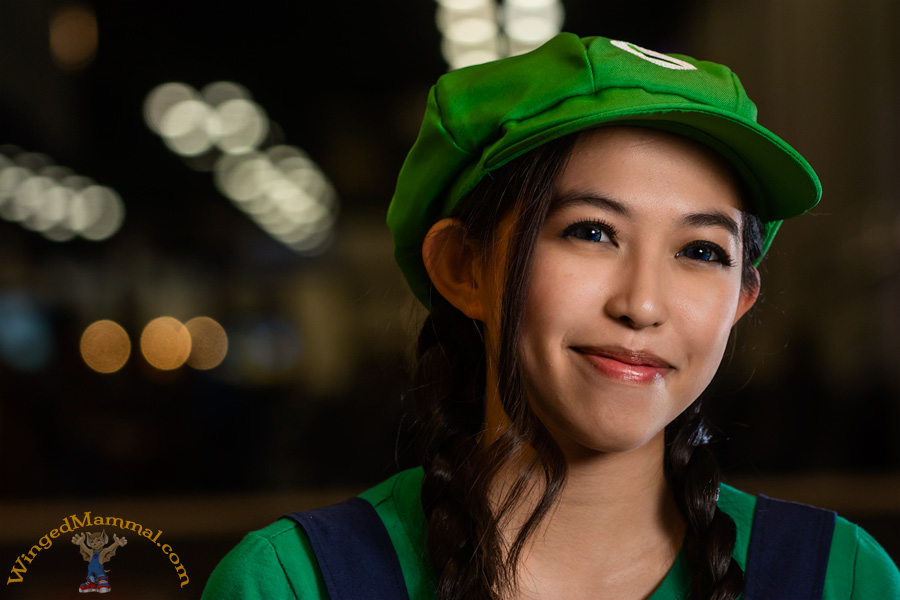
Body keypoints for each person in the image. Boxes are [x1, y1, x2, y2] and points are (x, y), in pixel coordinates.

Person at [202, 33, 900, 600]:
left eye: (699, 250)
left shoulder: (837, 578)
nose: (643, 304)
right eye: (592, 232)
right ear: (464, 268)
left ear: (741, 300)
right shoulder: (297, 583)